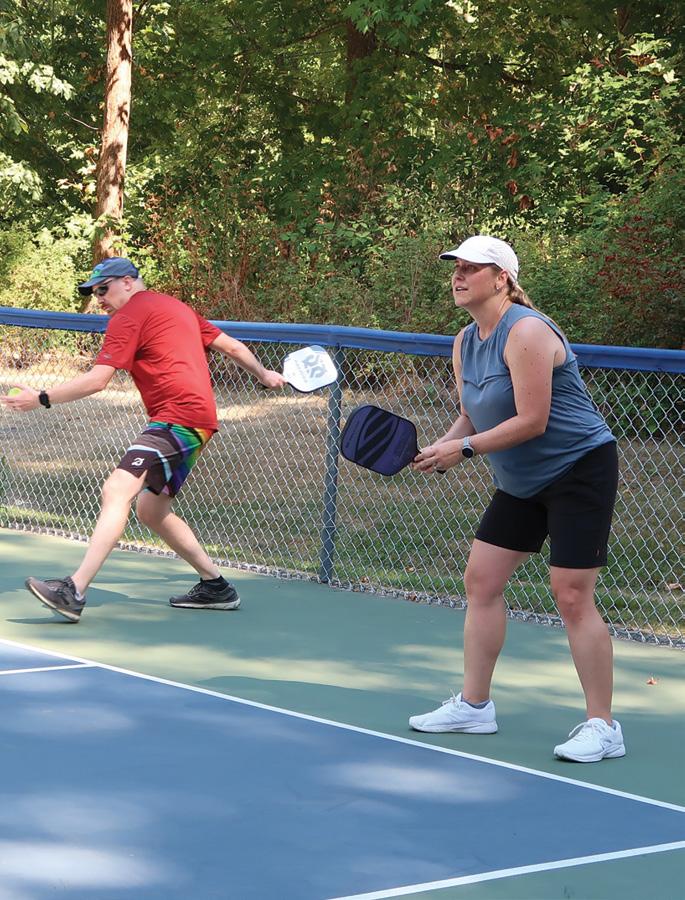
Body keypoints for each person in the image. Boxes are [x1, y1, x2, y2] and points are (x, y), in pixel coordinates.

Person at [408, 235, 624, 764]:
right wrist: (443, 445)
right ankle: (474, 707)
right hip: (521, 481)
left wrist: (463, 449)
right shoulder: (465, 340)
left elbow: (533, 420)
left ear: (502, 278)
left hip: (578, 469)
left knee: (571, 594)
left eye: (472, 268)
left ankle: (603, 726)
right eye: (456, 267)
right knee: (481, 580)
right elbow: (472, 414)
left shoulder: (526, 330)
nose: (459, 276)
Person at [2, 257, 285, 623]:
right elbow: (230, 346)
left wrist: (41, 398)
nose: (99, 299)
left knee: (117, 489)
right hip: (197, 420)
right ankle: (216, 587)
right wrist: (263, 374)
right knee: (151, 511)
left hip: (177, 418)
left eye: (103, 289)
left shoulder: (128, 316)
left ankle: (74, 590)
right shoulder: (177, 307)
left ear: (128, 282)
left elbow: (97, 380)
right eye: (94, 293)